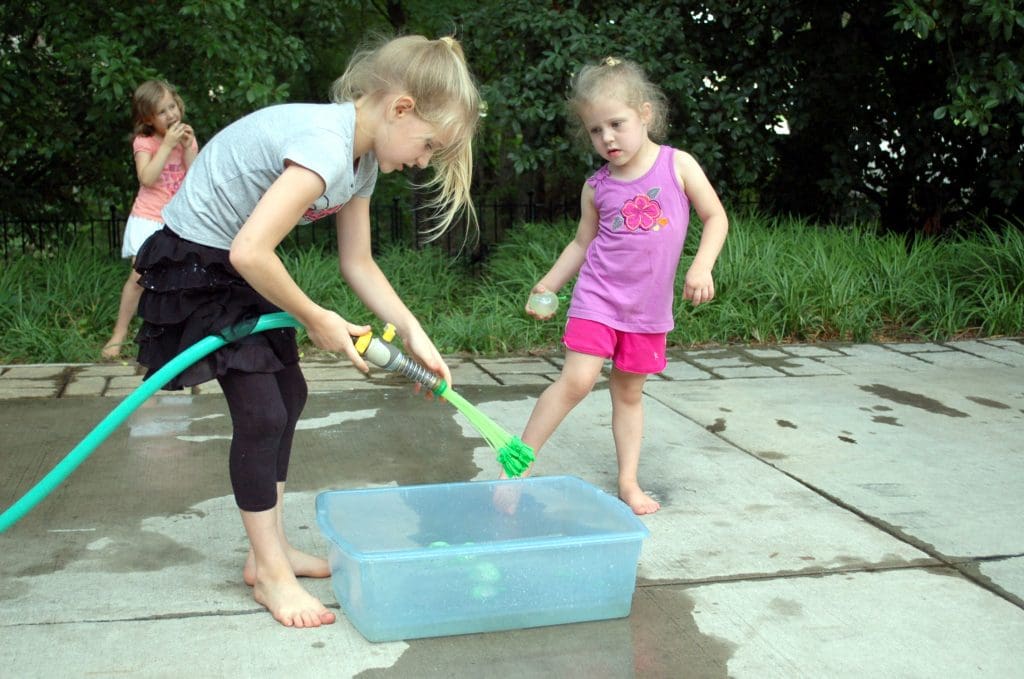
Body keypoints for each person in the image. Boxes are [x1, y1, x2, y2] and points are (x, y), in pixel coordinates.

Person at [132, 35, 480, 627]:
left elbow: (358, 263)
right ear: (400, 108)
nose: (423, 162)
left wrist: (414, 333)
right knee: (263, 411)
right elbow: (250, 250)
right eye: (428, 145)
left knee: (290, 395)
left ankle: (269, 552)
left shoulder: (362, 161)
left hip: (235, 263)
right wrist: (316, 317)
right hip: (197, 265)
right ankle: (269, 574)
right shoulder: (324, 143)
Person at [518, 57, 729, 515]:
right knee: (576, 380)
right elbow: (581, 243)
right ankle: (517, 463)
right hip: (598, 300)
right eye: (596, 130)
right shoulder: (596, 187)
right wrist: (548, 284)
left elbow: (716, 217)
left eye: (617, 124)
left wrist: (702, 267)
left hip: (647, 311)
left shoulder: (679, 166)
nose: (607, 138)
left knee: (629, 394)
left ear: (646, 114)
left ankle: (629, 483)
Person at [102, 80, 199, 359]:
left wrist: (188, 148)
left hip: (177, 221)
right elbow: (147, 177)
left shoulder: (186, 139)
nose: (171, 115)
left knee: (177, 281)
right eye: (161, 111)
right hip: (148, 219)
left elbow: (194, 180)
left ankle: (168, 338)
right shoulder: (144, 142)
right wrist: (167, 146)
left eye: (172, 106)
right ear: (147, 118)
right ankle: (118, 336)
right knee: (139, 278)